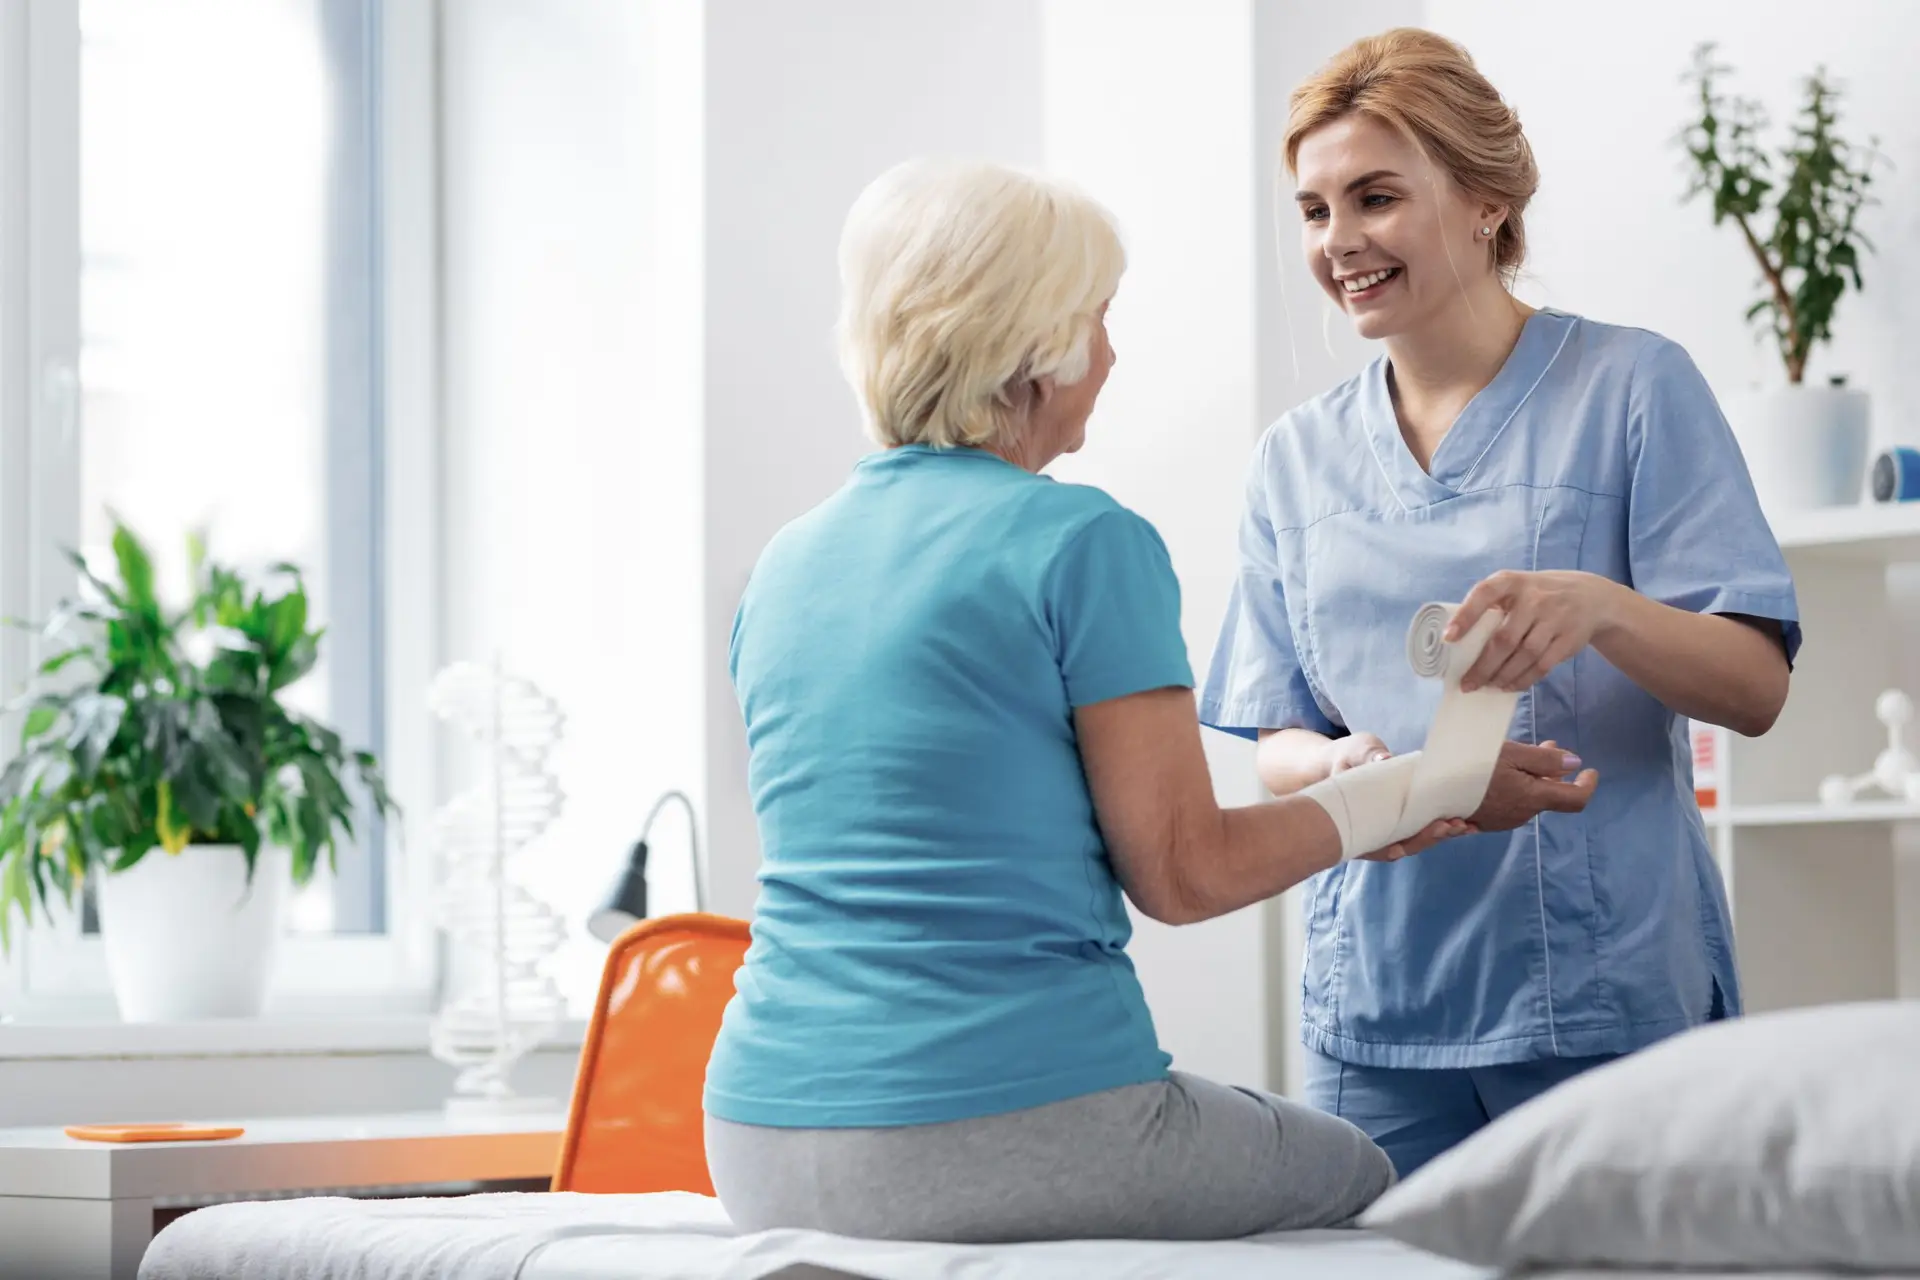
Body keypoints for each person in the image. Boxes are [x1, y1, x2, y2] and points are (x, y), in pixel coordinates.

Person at [701, 157, 1593, 1244]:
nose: (1112, 350)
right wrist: (1413, 791)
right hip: (999, 1123)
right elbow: (1184, 870)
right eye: (1099, 316)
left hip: (752, 1133)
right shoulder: (1083, 541)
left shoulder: (786, 563)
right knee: (1365, 1168)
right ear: (1044, 345)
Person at [1200, 28, 1799, 1180]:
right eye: (1315, 210)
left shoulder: (1631, 388)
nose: (1340, 242)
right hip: (1375, 1006)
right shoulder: (1294, 458)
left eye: (1376, 197)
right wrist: (1331, 772)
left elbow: (1757, 687)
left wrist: (1603, 608)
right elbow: (1278, 731)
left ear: (1484, 202)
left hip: (1603, 993)